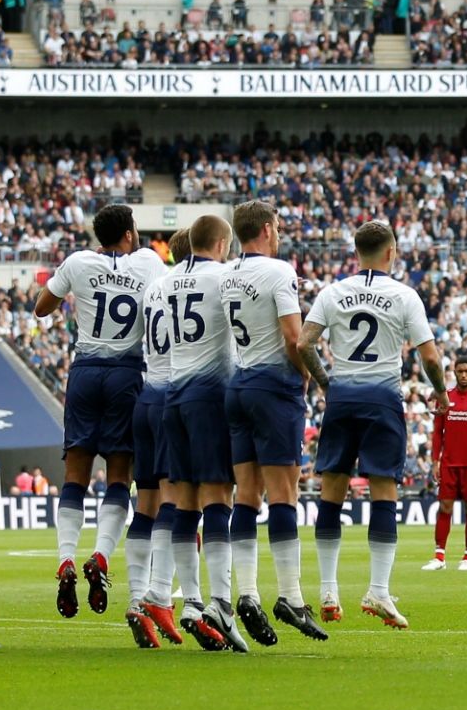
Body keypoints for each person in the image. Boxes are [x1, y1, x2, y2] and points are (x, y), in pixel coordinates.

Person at [300, 219, 451, 630]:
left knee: (332, 490)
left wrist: (327, 382)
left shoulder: (333, 292)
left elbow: (304, 342)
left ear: (357, 251)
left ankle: (329, 589)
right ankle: (378, 590)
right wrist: (440, 392)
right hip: (382, 398)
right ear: (391, 252)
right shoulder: (404, 295)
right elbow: (431, 358)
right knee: (383, 489)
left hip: (343, 396)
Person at [33, 203, 167, 621]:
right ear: (129, 233)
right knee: (118, 476)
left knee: (74, 474)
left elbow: (42, 307)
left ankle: (66, 557)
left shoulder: (78, 262)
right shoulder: (148, 263)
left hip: (85, 370)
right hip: (127, 373)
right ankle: (102, 555)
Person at [219, 200, 325, 644]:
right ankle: (291, 597)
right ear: (266, 228)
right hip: (272, 386)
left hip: (237, 384)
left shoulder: (226, 274)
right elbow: (293, 337)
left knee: (246, 494)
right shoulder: (279, 271)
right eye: (277, 226)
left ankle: (246, 593)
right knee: (284, 494)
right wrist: (310, 379)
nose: (279, 232)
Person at [155, 213, 246, 652]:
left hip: (173, 394)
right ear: (223, 243)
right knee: (218, 498)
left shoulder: (166, 281)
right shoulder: (225, 276)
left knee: (184, 499)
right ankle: (220, 603)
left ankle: (190, 601)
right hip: (210, 395)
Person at [124, 227, 192, 649]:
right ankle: (160, 593)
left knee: (145, 503)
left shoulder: (154, 287)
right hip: (173, 396)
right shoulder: (199, 285)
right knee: (176, 499)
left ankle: (137, 598)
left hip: (145, 397)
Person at [425, 358, 467, 571]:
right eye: (460, 371)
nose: (464, 375)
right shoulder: (445, 398)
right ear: (454, 373)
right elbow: (438, 432)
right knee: (445, 507)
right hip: (449, 464)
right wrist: (435, 461)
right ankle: (439, 557)